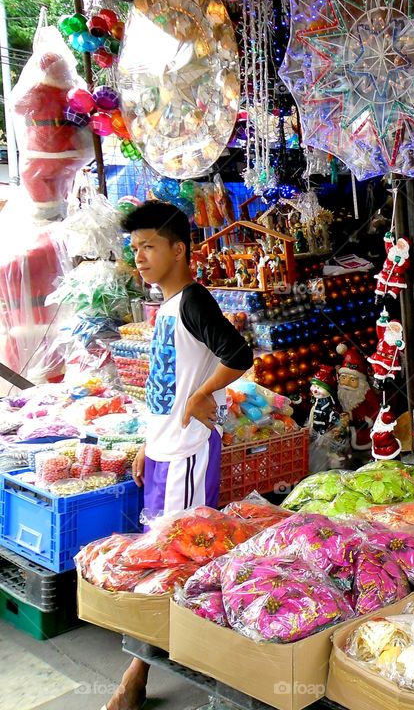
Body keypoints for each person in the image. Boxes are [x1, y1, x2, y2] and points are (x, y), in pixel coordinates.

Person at [107, 202, 253, 710]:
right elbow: (162, 385)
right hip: (164, 451)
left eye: (148, 246)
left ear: (178, 250)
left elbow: (238, 354)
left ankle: (138, 673)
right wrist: (148, 444)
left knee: (176, 559)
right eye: (135, 249)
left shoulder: (193, 300)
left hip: (190, 453)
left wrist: (200, 396)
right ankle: (160, 655)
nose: (140, 257)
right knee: (164, 554)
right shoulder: (165, 307)